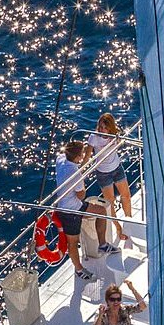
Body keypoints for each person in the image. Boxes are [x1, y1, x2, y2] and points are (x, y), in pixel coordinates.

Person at [54, 139, 110, 282]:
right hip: (71, 211)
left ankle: (102, 244)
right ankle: (79, 269)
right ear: (78, 157)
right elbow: (81, 195)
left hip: (66, 205)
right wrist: (82, 180)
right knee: (72, 242)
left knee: (101, 211)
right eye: (82, 154)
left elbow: (68, 159)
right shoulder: (75, 172)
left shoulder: (60, 160)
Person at [87, 113, 133, 245]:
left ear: (110, 128)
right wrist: (81, 169)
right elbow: (88, 155)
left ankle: (128, 222)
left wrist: (117, 137)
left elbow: (120, 138)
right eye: (100, 127)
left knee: (126, 195)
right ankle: (118, 228)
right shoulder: (93, 138)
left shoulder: (115, 135)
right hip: (103, 173)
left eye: (105, 127)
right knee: (110, 202)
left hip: (117, 168)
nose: (102, 130)